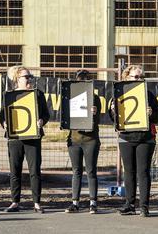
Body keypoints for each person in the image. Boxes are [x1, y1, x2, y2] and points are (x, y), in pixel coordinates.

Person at [110, 64, 158, 217]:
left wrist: (151, 113)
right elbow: (113, 119)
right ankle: (129, 204)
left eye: (141, 77)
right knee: (129, 172)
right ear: (127, 77)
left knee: (143, 172)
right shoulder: (119, 94)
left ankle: (144, 206)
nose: (138, 79)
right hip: (126, 137)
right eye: (135, 76)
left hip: (145, 139)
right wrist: (113, 111)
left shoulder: (149, 94)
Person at [0, 66, 50, 213]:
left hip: (33, 137)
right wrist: (5, 123)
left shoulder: (38, 94)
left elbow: (46, 114)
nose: (29, 79)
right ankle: (15, 202)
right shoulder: (10, 95)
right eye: (26, 77)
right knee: (15, 171)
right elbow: (2, 115)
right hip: (15, 138)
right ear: (17, 79)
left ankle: (36, 203)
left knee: (35, 171)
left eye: (30, 77)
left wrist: (41, 121)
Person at [64, 70, 101, 214]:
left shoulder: (94, 98)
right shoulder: (70, 97)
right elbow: (65, 118)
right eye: (80, 80)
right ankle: (75, 203)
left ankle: (93, 203)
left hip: (90, 140)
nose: (82, 83)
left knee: (91, 171)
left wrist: (94, 113)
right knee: (76, 171)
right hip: (74, 139)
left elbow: (97, 121)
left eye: (85, 80)